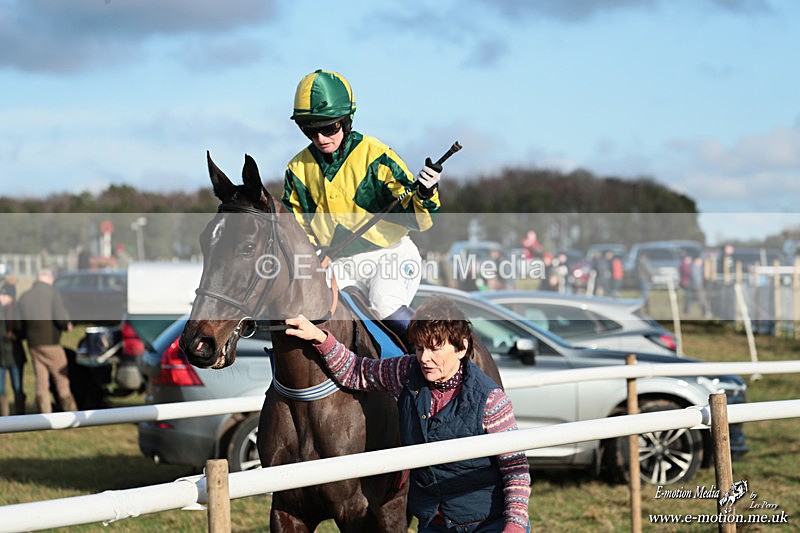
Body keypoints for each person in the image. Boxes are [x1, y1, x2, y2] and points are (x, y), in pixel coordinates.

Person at [285, 296, 531, 532]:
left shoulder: (491, 400)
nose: (425, 358)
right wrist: (320, 337)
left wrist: (515, 524)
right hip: (434, 523)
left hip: (489, 523)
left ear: (461, 347)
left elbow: (515, 468)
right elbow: (357, 372)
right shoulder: (406, 370)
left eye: (435, 349)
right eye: (420, 348)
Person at [282, 69, 441, 341]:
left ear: (346, 121)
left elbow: (419, 220)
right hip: (338, 263)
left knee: (384, 304)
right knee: (315, 312)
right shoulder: (297, 169)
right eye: (310, 130)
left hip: (390, 255)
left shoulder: (377, 156)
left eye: (329, 128)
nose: (320, 138)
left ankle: (439, 351)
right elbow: (296, 228)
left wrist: (426, 193)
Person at [17, 268, 77, 413]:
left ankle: (44, 413)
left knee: (41, 380)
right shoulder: (52, 293)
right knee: (61, 378)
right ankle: (71, 413)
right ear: (49, 278)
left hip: (33, 343)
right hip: (51, 342)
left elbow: (19, 324)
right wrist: (67, 324)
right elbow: (59, 316)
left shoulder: (24, 296)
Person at [0, 284, 27, 415]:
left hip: (15, 356)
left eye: (5, 295)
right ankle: (3, 417)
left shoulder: (17, 311)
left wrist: (13, 335)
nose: (1, 297)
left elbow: (23, 331)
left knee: (17, 387)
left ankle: (20, 414)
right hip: (1, 357)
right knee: (0, 390)